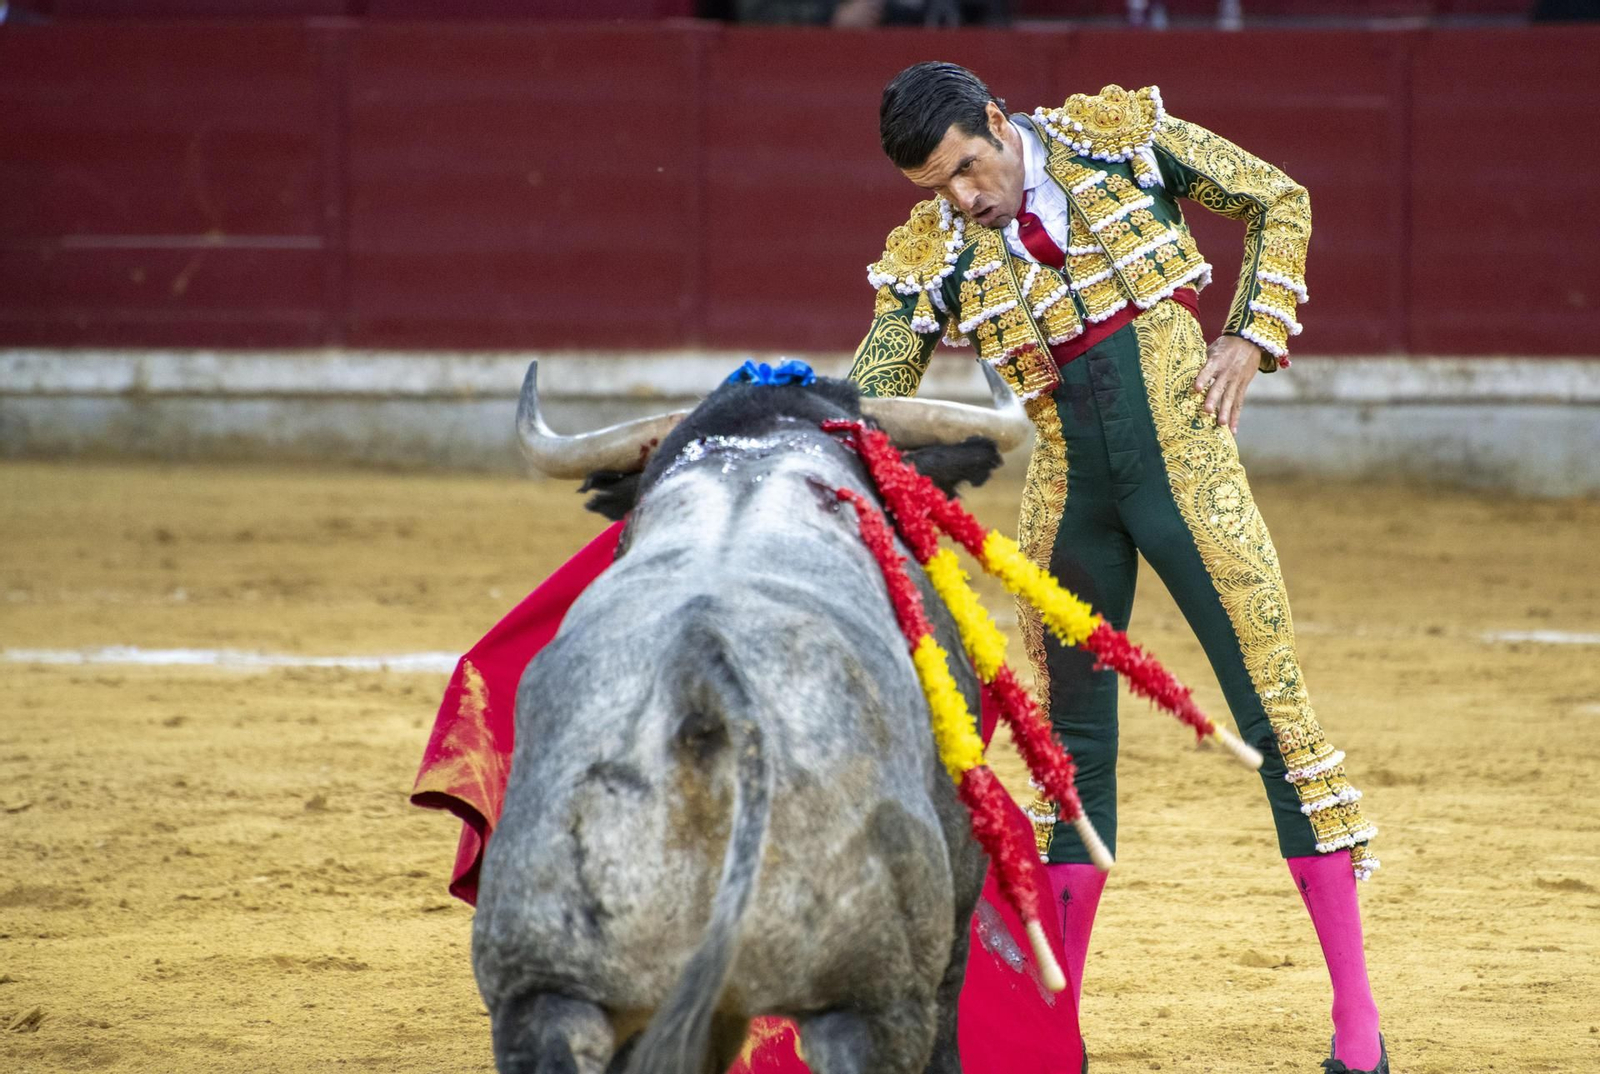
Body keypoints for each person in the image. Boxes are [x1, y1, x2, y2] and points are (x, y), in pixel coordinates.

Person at [847, 62, 1386, 1074]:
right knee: (1067, 767)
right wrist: (798, 422)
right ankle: (1051, 1042)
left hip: (1189, 476)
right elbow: (874, 386)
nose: (962, 198)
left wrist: (1249, 334)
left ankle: (1358, 1032)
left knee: (1280, 729)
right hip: (1066, 508)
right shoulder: (936, 250)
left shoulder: (1120, 142)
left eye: (966, 169)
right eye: (937, 187)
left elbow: (1278, 198)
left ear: (996, 121)